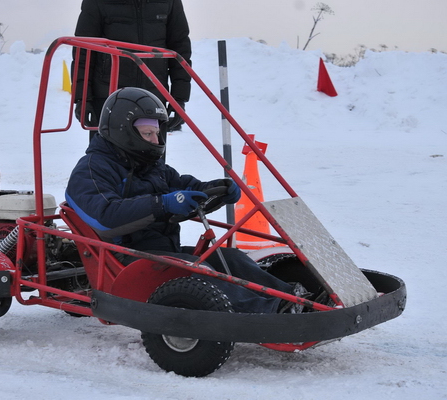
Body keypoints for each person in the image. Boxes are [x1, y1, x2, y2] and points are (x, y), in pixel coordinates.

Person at [65, 87, 301, 314]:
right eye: (147, 133)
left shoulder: (149, 166)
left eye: (156, 133)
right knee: (198, 271)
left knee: (231, 259)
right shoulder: (91, 170)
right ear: (122, 130)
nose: (155, 140)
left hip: (163, 252)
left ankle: (292, 298)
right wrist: (163, 204)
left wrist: (217, 190)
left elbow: (184, 186)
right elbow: (106, 216)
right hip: (126, 257)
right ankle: (268, 313)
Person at [72, 0, 191, 138]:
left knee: (152, 154)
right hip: (109, 99)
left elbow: (180, 48)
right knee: (106, 156)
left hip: (152, 98)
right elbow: (84, 51)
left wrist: (178, 99)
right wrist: (83, 99)